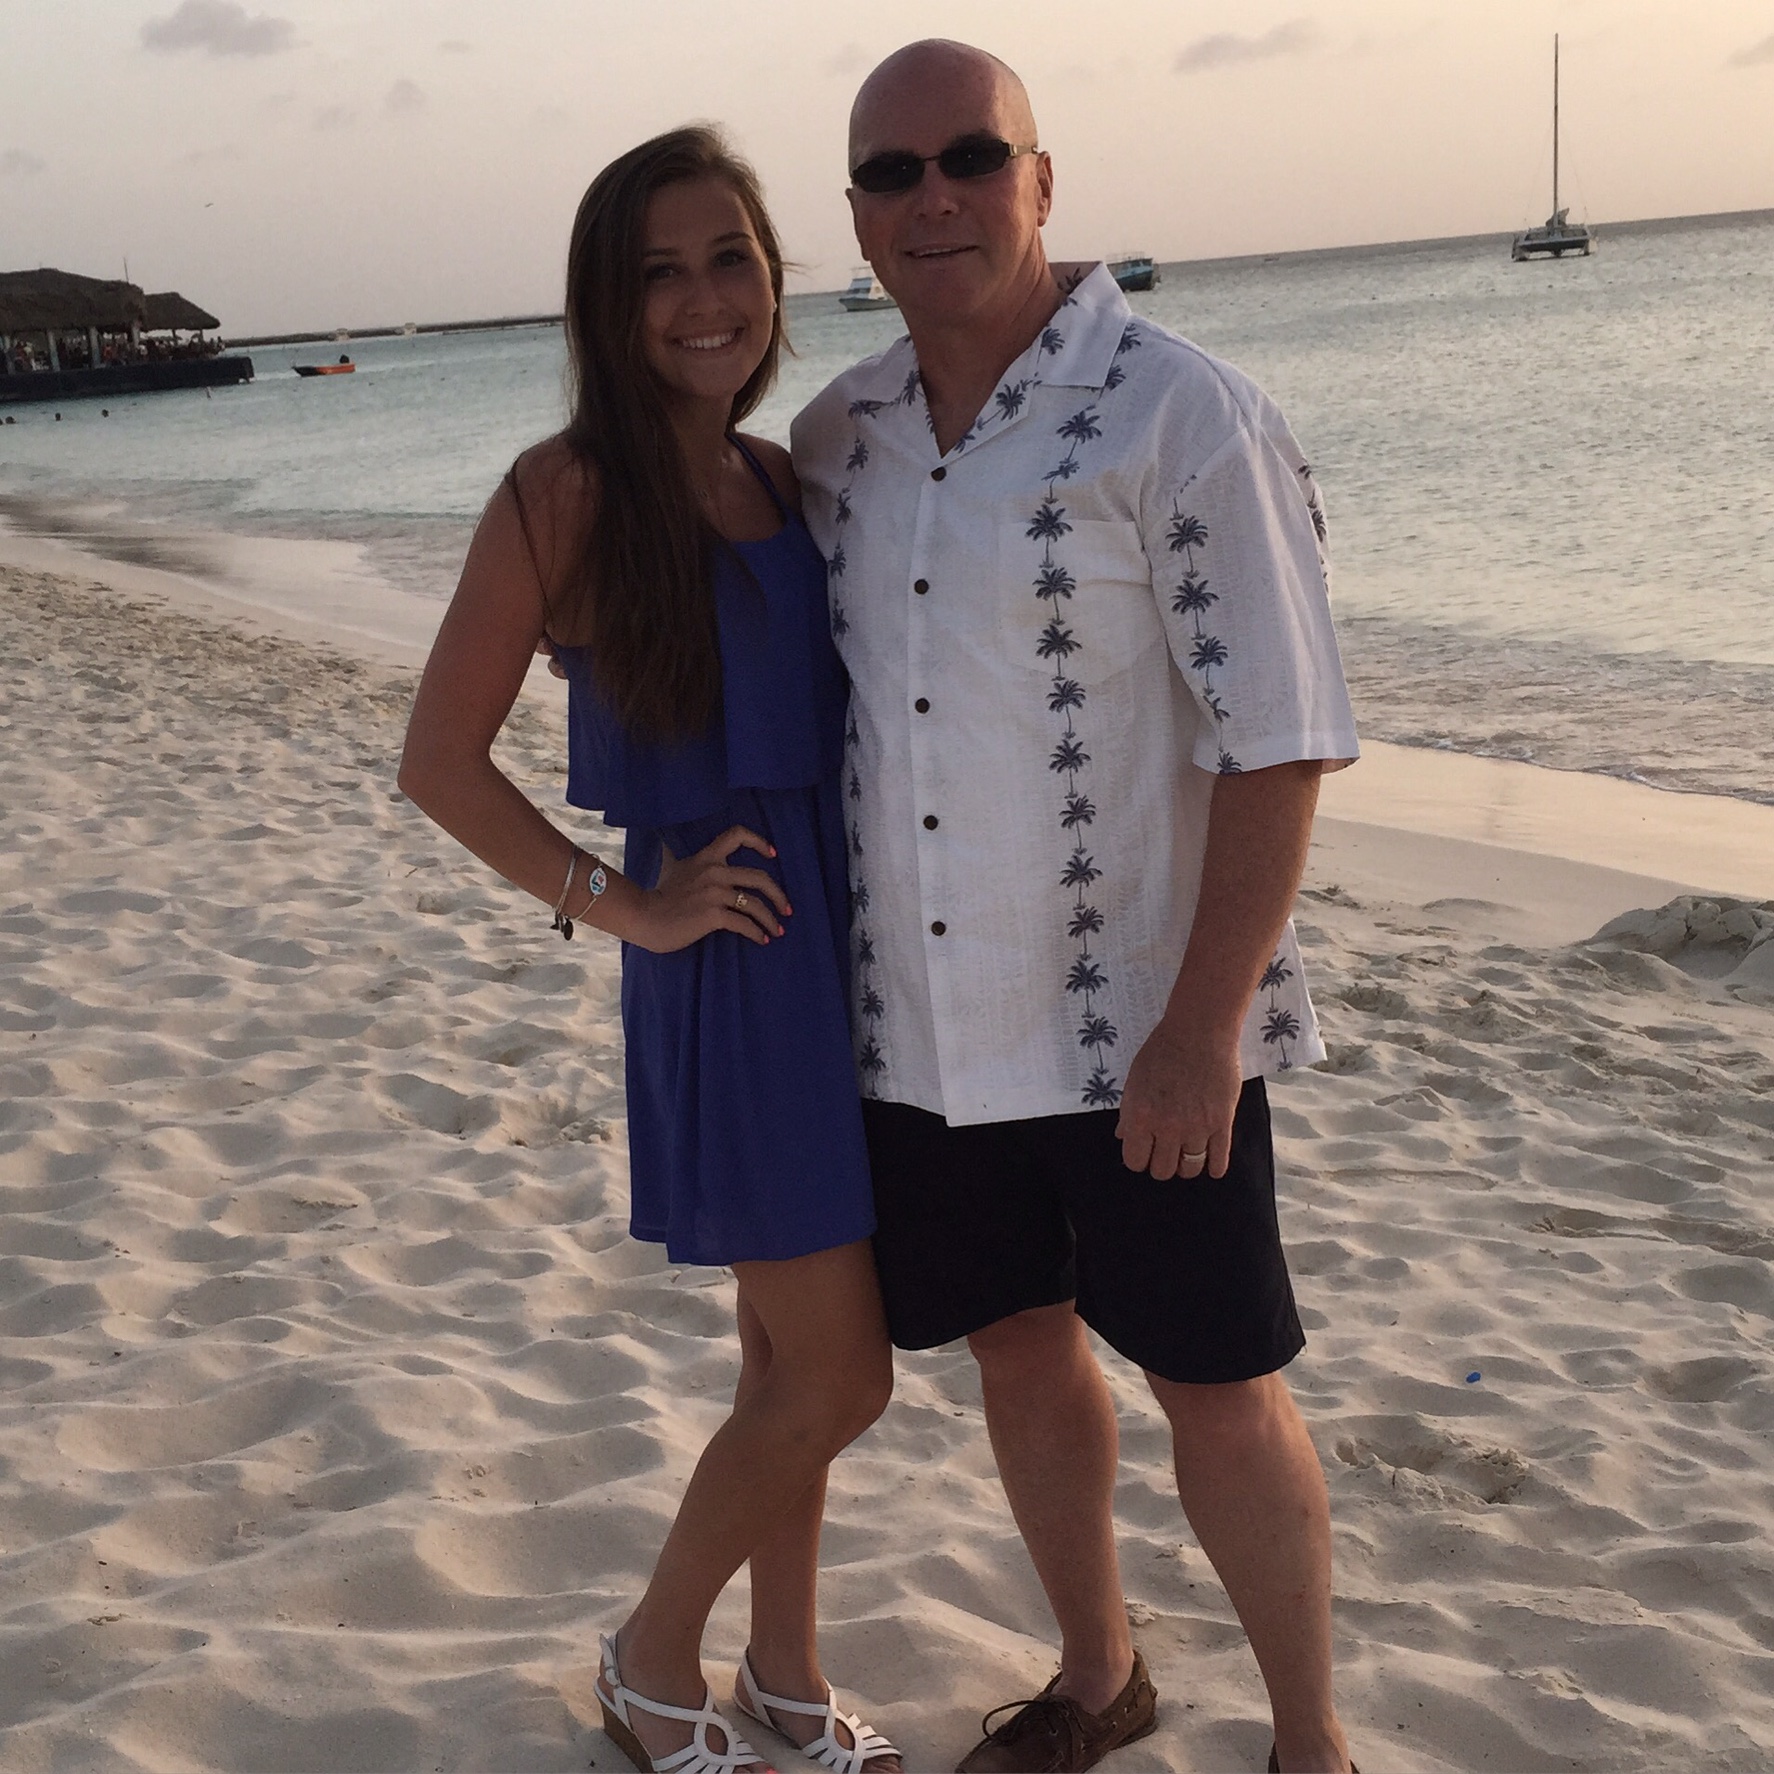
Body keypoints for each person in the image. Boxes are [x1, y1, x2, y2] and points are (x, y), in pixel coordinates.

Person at [791, 41, 1362, 1774]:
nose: (933, 197)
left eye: (971, 157)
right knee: (1018, 1354)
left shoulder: (1183, 415)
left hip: (1142, 1032)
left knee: (1219, 1387)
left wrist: (1202, 1028)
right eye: (890, 173)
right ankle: (1098, 1673)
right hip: (925, 1033)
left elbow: (1279, 738)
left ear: (1041, 180)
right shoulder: (838, 439)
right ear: (856, 218)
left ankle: (1311, 1743)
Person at [399, 126, 901, 1774]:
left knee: (782, 1357)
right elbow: (438, 760)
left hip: (837, 950)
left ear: (774, 273)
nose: (701, 300)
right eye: (657, 273)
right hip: (732, 966)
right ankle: (652, 1652)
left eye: (728, 259)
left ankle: (786, 1672)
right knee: (839, 1374)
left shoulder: (779, 474)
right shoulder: (565, 492)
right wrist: (621, 900)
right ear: (605, 308)